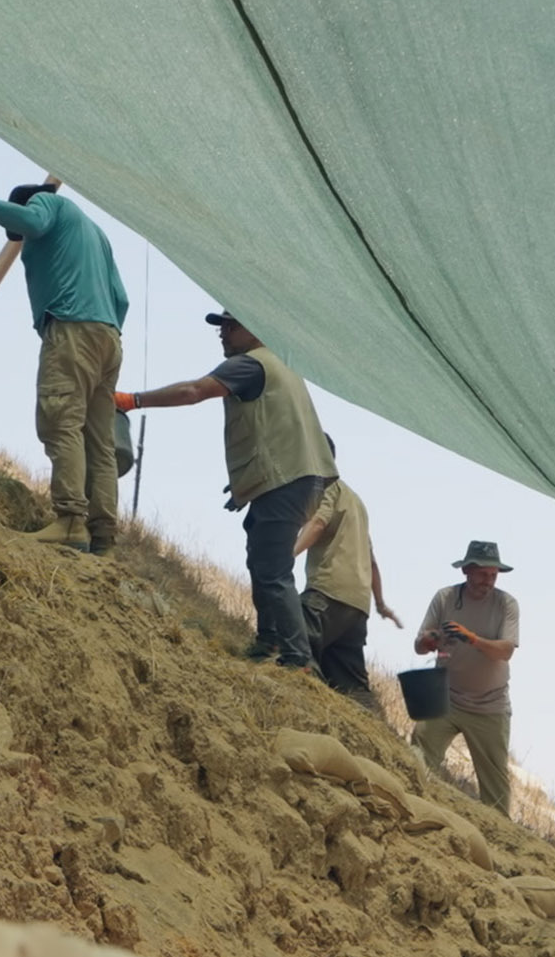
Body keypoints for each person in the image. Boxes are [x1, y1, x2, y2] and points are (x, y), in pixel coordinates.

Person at [114, 310, 336, 668]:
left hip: (287, 481)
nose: (223, 333)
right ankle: (268, 641)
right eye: (221, 327)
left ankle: (297, 658)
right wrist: (250, 482)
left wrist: (132, 400)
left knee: (273, 569)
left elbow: (193, 391)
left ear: (256, 330)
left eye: (231, 326)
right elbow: (276, 432)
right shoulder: (283, 366)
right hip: (299, 480)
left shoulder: (250, 364)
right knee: (262, 558)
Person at [0, 173, 128, 552]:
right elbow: (121, 298)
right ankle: (103, 537)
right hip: (108, 337)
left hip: (71, 328)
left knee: (60, 421)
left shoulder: (47, 202)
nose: (23, 240)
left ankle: (71, 520)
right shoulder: (96, 235)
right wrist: (102, 331)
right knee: (100, 440)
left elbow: (34, 222)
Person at [412, 541, 522, 815]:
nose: (489, 581)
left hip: (489, 705)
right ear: (466, 571)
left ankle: (497, 836)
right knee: (416, 760)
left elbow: (505, 651)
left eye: (493, 575)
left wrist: (471, 638)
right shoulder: (445, 598)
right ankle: (415, 809)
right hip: (445, 697)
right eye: (483, 574)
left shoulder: (506, 604)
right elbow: (419, 646)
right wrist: (431, 639)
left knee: (496, 791)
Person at [292, 443, 401, 705]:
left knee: (291, 639)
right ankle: (371, 722)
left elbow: (318, 523)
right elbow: (371, 561)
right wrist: (380, 603)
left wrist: (288, 554)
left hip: (327, 593)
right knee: (351, 685)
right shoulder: (357, 502)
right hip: (357, 607)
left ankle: (309, 699)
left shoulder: (327, 487)